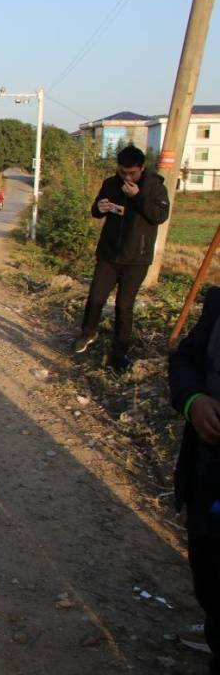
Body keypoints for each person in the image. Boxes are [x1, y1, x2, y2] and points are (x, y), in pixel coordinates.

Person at [73, 144, 170, 371]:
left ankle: (120, 353)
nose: (127, 177)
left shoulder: (154, 187)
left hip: (137, 258)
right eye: (123, 172)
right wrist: (100, 207)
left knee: (124, 306)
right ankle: (88, 334)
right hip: (109, 254)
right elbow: (95, 211)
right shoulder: (110, 183)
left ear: (141, 168)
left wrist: (138, 197)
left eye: (132, 173)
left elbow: (159, 215)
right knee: (96, 297)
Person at [169, 286, 220, 674]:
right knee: (205, 560)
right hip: (207, 471)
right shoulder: (219, 304)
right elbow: (185, 357)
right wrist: (193, 400)